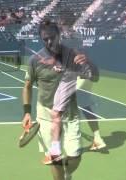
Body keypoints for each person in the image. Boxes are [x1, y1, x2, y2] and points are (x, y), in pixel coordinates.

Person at [22, 19, 98, 180]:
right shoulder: (35, 60)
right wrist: (27, 113)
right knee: (54, 159)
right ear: (41, 39)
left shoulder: (73, 55)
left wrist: (88, 62)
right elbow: (27, 86)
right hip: (46, 115)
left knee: (75, 156)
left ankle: (68, 172)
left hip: (70, 113)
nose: (49, 42)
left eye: (52, 37)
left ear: (59, 35)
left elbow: (95, 77)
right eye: (45, 39)